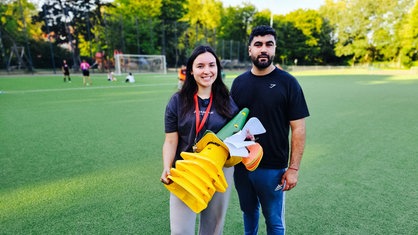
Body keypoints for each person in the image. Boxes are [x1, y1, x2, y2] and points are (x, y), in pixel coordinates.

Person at [230, 25, 310, 235]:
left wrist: (293, 169)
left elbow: (299, 128)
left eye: (269, 44)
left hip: (273, 168)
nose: (263, 49)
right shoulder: (238, 84)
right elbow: (231, 125)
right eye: (258, 44)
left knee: (274, 221)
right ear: (250, 50)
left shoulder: (288, 83)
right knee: (248, 212)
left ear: (275, 49)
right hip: (242, 166)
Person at [160, 45, 239, 235]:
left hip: (217, 172)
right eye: (200, 66)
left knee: (213, 230)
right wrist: (166, 166)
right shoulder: (177, 101)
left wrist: (246, 138)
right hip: (186, 171)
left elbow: (236, 136)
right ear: (191, 70)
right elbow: (171, 140)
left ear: (218, 69)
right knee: (181, 232)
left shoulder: (226, 100)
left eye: (212, 65)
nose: (207, 71)